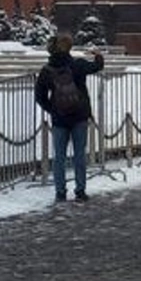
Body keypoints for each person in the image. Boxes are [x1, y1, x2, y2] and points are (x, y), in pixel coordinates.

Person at [34, 33, 104, 202]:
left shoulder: (47, 70)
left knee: (59, 157)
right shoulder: (77, 64)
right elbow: (96, 67)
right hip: (79, 116)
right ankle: (80, 190)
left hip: (60, 118)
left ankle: (60, 191)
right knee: (79, 155)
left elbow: (40, 96)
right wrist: (98, 55)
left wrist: (52, 109)